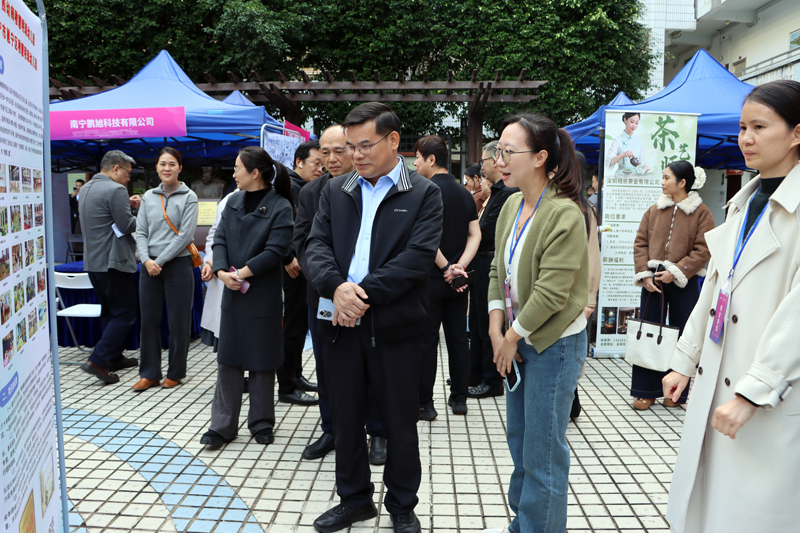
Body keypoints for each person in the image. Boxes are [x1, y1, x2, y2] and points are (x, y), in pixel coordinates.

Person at [662, 79, 800, 532]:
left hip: (773, 393)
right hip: (720, 380)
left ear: (796, 134)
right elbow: (716, 289)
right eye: (742, 127)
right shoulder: (746, 202)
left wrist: (752, 391)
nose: (746, 138)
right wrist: (684, 360)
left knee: (756, 513)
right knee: (712, 506)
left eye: (759, 127)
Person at [306, 103, 442, 533]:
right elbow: (315, 246)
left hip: (394, 326)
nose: (356, 155)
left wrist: (359, 294)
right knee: (345, 417)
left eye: (365, 145)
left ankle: (401, 504)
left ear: (393, 140)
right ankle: (354, 500)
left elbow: (417, 257)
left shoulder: (423, 192)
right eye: (351, 146)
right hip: (340, 323)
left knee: (400, 421)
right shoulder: (336, 190)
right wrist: (336, 287)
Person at [482, 113, 588, 533]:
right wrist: (496, 328)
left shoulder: (565, 213)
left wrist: (510, 336)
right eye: (498, 150)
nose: (499, 160)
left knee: (543, 453)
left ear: (541, 157)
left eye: (509, 152)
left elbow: (551, 293)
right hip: (516, 337)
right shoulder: (512, 204)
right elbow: (498, 269)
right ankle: (524, 523)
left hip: (553, 344)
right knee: (521, 442)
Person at [294, 125, 386, 462]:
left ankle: (378, 430)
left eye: (340, 150)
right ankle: (332, 428)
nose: (331, 158)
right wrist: (331, 285)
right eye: (325, 151)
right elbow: (304, 244)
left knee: (374, 366)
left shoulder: (377, 188)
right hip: (322, 295)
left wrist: (358, 291)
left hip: (369, 297)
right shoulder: (311, 192)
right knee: (327, 366)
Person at [200, 147, 294, 447]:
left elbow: (276, 250)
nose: (234, 173)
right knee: (228, 359)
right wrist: (221, 272)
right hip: (232, 291)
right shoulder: (233, 201)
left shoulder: (281, 205)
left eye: (237, 168)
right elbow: (219, 239)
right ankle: (222, 426)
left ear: (255, 173)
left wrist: (241, 274)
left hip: (262, 292)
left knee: (262, 358)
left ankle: (261, 422)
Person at [631, 161, 714, 410]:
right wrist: (645, 274)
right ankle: (646, 391)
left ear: (682, 182)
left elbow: (704, 249)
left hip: (685, 280)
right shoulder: (654, 210)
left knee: (683, 333)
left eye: (667, 178)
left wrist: (676, 272)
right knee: (649, 332)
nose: (663, 182)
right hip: (653, 280)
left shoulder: (701, 213)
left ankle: (676, 392)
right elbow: (640, 242)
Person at [413, 135, 480, 419]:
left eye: (417, 158)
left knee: (427, 341)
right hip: (459, 284)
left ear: (431, 160)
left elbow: (424, 239)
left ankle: (425, 404)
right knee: (457, 338)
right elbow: (475, 234)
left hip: (430, 280)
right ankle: (459, 398)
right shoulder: (465, 193)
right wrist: (460, 267)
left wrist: (446, 268)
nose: (414, 164)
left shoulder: (422, 192)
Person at [132, 147, 199, 391]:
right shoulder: (149, 197)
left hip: (177, 264)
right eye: (162, 164)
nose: (167, 168)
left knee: (178, 321)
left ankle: (175, 372)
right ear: (156, 167)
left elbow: (185, 235)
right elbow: (140, 231)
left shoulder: (189, 196)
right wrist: (146, 260)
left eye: (172, 164)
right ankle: (149, 373)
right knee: (149, 321)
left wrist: (159, 261)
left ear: (180, 168)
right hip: (148, 266)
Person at [77, 151, 140, 384]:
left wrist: (126, 205)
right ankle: (98, 359)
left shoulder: (86, 188)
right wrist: (145, 212)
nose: (128, 179)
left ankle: (113, 356)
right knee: (125, 313)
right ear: (116, 169)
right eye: (127, 173)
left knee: (109, 311)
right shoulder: (116, 190)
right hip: (114, 262)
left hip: (93, 262)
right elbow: (126, 226)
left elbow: (103, 216)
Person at [469, 141, 518, 399]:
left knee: (489, 324)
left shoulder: (508, 193)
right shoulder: (495, 192)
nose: (483, 166)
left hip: (490, 261)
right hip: (482, 262)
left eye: (484, 161)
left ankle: (491, 379)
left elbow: (489, 231)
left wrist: (472, 232)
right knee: (478, 324)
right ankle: (475, 373)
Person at [278, 140, 324, 406]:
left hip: (303, 266)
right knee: (293, 327)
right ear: (299, 162)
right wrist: (288, 257)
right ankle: (286, 386)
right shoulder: (289, 187)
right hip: (293, 267)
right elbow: (283, 228)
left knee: (300, 325)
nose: (320, 169)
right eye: (316, 163)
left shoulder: (306, 187)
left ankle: (296, 376)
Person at [199, 188, 240, 350]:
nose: (234, 176)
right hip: (225, 271)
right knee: (226, 333)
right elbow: (214, 235)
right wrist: (209, 262)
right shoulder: (229, 199)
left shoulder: (270, 198)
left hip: (249, 273)